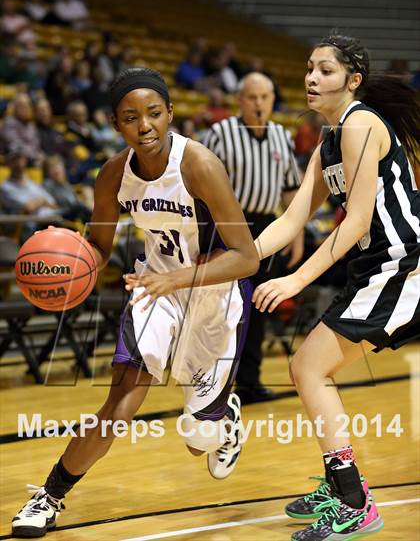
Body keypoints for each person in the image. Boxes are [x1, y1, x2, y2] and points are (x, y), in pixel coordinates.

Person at [11, 67, 259, 538]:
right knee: (120, 403)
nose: (144, 125)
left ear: (169, 114)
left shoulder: (198, 165)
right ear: (115, 124)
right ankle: (49, 497)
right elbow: (98, 250)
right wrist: (67, 260)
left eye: (153, 114)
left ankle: (223, 418)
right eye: (130, 117)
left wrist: (182, 279)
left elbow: (247, 257)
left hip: (216, 293)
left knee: (197, 438)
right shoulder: (111, 176)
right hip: (155, 287)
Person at [252, 33, 420, 540]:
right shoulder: (329, 141)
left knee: (307, 366)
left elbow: (355, 221)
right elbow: (294, 216)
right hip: (377, 267)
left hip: (404, 264)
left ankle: (353, 501)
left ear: (353, 81)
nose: (310, 77)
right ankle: (341, 488)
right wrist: (237, 258)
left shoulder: (362, 124)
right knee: (308, 368)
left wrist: (295, 279)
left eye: (324, 70)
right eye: (308, 68)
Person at [203, 72, 303, 404]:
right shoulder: (220, 134)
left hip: (266, 227)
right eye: (252, 97)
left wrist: (297, 233)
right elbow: (199, 187)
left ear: (273, 99)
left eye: (265, 96)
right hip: (228, 226)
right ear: (240, 100)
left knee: (258, 305)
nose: (259, 103)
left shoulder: (282, 136)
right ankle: (213, 385)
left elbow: (291, 189)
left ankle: (249, 383)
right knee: (223, 308)